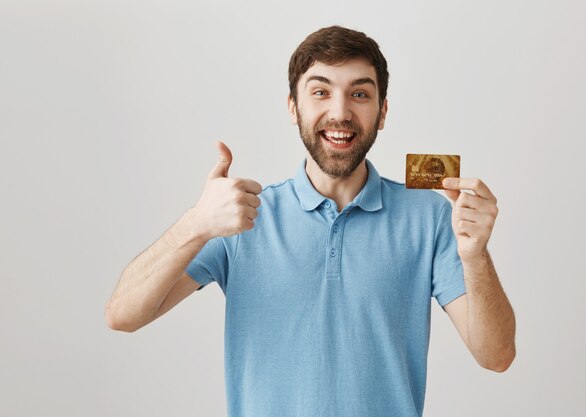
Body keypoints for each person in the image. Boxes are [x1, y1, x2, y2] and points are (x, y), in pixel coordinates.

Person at [105, 25, 516, 417]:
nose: (340, 112)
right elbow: (122, 315)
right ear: (292, 107)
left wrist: (475, 254)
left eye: (359, 93)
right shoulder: (241, 216)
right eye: (321, 91)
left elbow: (496, 356)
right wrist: (195, 224)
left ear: (382, 111)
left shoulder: (429, 217)